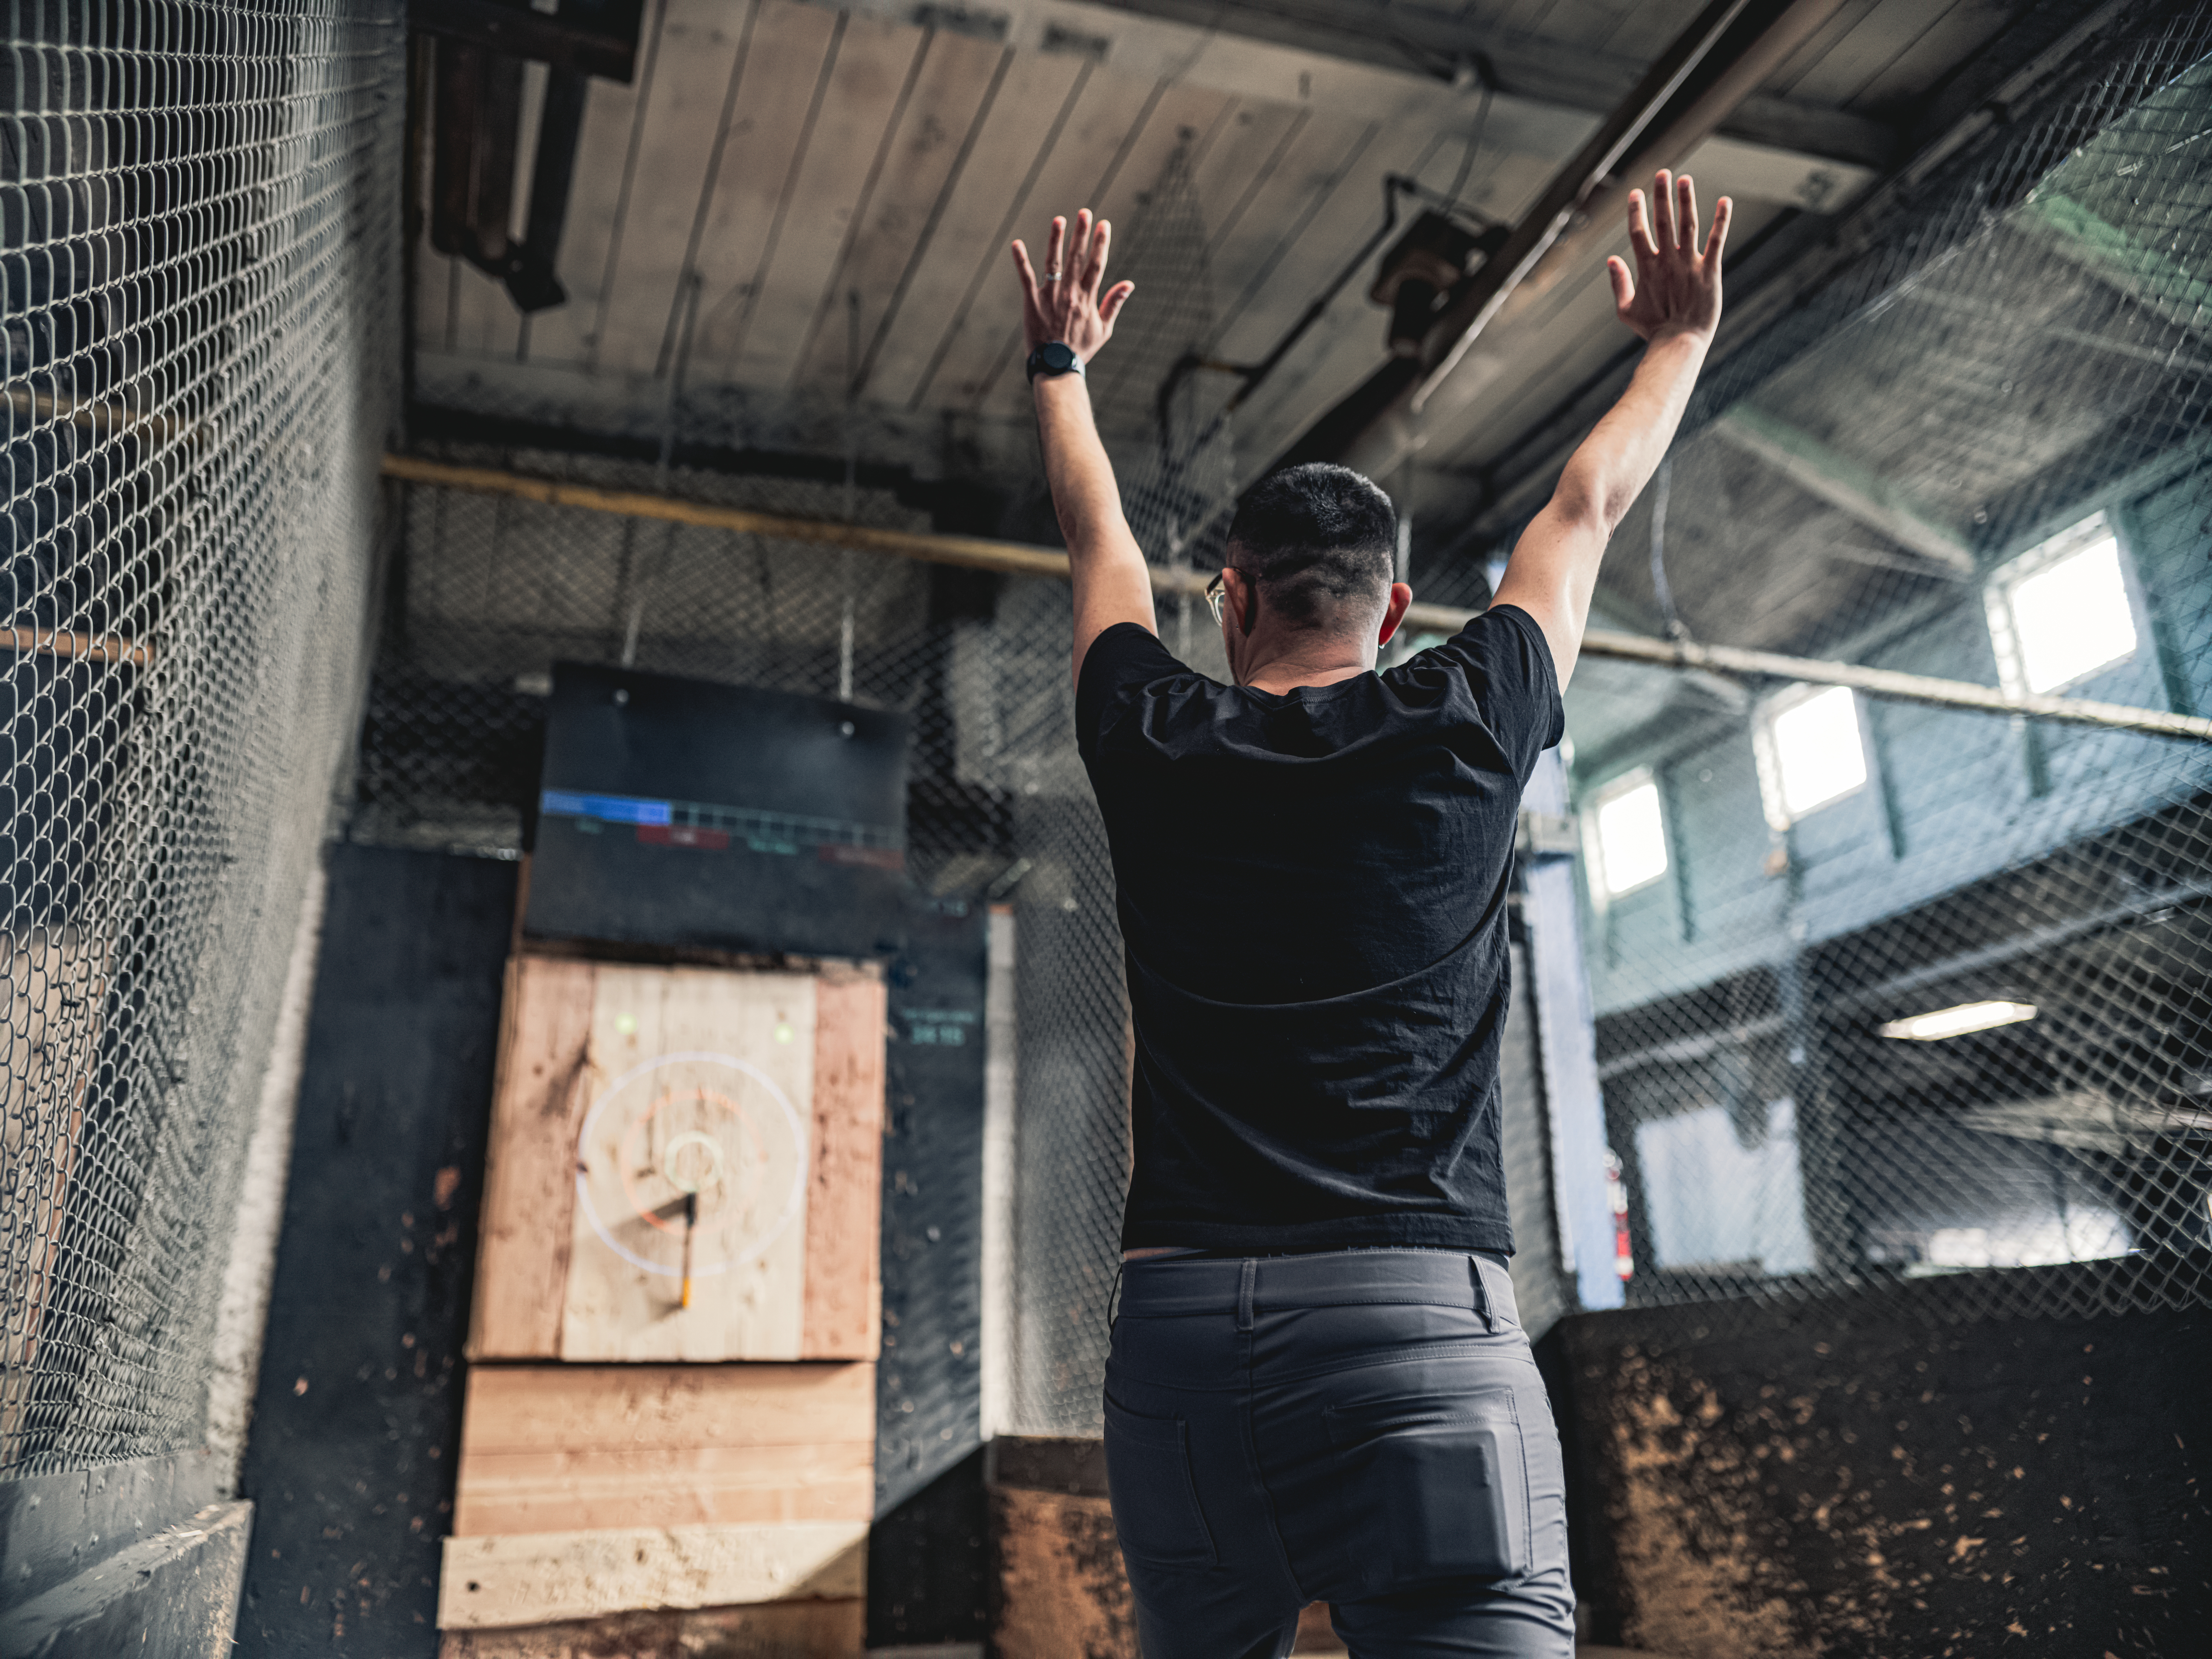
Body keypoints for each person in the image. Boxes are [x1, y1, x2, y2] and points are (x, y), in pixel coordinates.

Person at [1008, 170, 1730, 1659]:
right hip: (1419, 1333)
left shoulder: (1150, 734)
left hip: (1183, 1345)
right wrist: (1676, 340)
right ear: (1394, 616)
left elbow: (1098, 554)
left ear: (1228, 603)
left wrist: (1058, 369)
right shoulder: (1469, 722)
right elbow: (1584, 506)